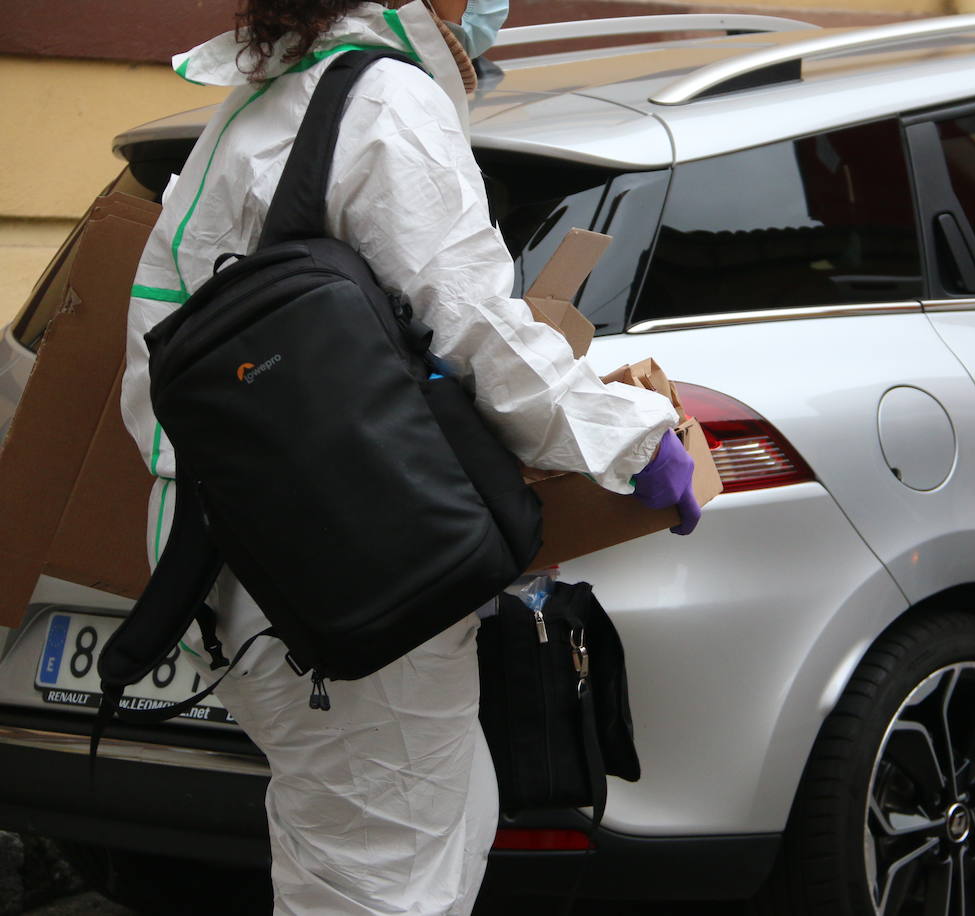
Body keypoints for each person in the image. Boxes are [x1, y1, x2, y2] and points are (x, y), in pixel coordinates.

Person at [119, 1, 700, 912]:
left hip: (245, 559)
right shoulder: (386, 101)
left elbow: (156, 374)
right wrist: (632, 442)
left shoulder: (267, 102)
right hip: (343, 569)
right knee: (385, 881)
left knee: (410, 828)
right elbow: (479, 333)